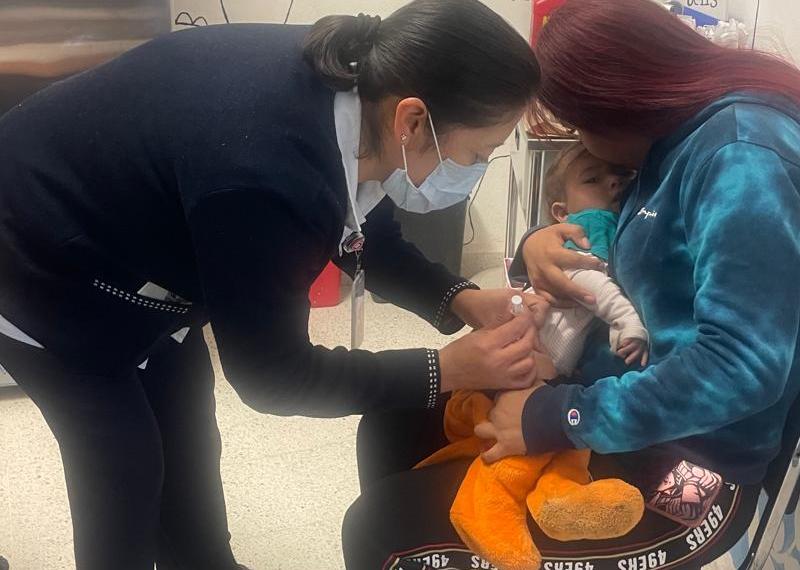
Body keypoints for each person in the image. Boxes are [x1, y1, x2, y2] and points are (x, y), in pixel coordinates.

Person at [0, 1, 544, 568]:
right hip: (38, 259)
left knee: (188, 443)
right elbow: (273, 375)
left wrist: (460, 298)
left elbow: (357, 225)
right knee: (125, 466)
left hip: (139, 245)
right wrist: (445, 370)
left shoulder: (358, 81)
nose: (474, 169)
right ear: (411, 120)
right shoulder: (264, 171)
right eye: (477, 153)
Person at [342, 0, 800, 568]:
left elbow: (742, 368)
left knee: (380, 529)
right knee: (392, 425)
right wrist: (538, 244)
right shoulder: (669, 143)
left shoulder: (742, 157)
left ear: (613, 106)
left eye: (579, 126)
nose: (585, 145)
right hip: (595, 397)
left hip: (690, 464)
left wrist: (558, 417)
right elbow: (616, 235)